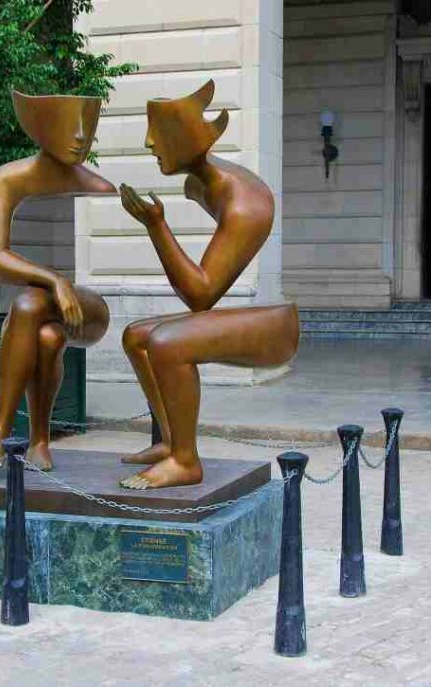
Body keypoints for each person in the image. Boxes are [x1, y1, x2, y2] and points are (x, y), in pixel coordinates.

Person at [117, 81, 300, 489]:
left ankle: (186, 461)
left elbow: (201, 295)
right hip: (256, 319)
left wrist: (156, 226)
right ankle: (170, 442)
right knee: (136, 337)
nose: (149, 143)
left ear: (186, 139)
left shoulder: (244, 204)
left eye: (158, 134)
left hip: (276, 329)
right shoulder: (203, 182)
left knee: (168, 343)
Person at [0, 91, 114, 471]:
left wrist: (62, 285)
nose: (82, 135)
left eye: (89, 123)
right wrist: (54, 281)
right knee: (47, 336)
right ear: (39, 127)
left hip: (91, 310)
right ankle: (39, 442)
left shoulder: (101, 186)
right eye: (70, 124)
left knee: (27, 305)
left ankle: (1, 428)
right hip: (37, 313)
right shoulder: (7, 181)